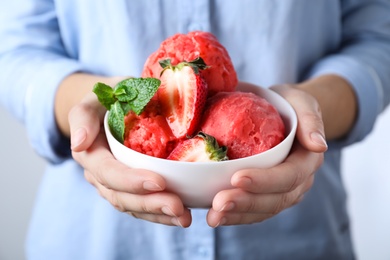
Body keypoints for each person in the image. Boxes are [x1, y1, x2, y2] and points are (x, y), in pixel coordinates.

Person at [1, 1, 389, 259]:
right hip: (93, 240)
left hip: (295, 238)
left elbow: (378, 39)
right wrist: (88, 105)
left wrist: (310, 110)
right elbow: (15, 49)